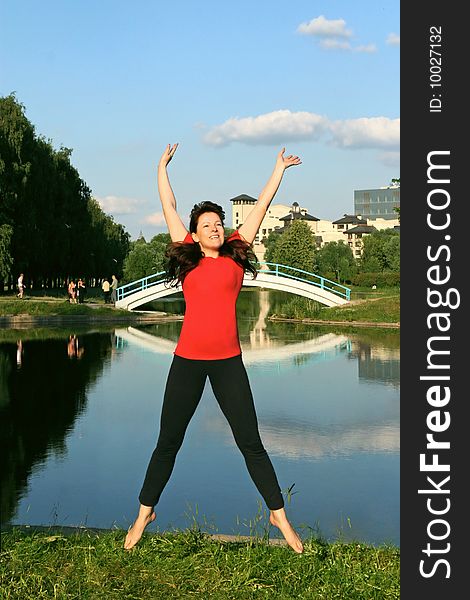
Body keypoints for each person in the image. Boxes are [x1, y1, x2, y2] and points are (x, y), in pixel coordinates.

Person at [124, 143, 304, 554]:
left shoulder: (237, 255)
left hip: (228, 363)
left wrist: (278, 169)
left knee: (251, 443)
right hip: (186, 362)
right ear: (195, 232)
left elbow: (261, 205)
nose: (216, 228)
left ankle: (279, 516)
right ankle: (142, 516)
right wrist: (161, 167)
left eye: (219, 223)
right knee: (167, 442)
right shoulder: (188, 258)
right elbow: (168, 204)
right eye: (208, 225)